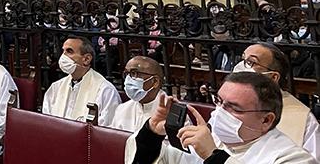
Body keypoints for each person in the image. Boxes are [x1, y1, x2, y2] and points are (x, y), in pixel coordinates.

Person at [125, 72, 315, 163]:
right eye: (219, 102)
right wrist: (151, 134)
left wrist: (213, 156)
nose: (220, 112)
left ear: (266, 120)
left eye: (233, 108)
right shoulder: (203, 141)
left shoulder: (291, 158)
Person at [230, 42, 319, 159]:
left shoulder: (302, 119)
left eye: (251, 62)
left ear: (273, 77)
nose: (241, 66)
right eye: (243, 59)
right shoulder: (228, 105)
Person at [42, 36, 121, 126]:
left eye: (69, 51)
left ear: (86, 59)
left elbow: (108, 129)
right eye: (63, 51)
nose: (63, 56)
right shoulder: (56, 87)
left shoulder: (105, 90)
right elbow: (47, 123)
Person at [110, 56, 166, 132]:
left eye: (134, 73)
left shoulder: (172, 112)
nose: (128, 79)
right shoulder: (122, 109)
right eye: (127, 74)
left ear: (155, 81)